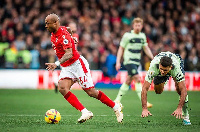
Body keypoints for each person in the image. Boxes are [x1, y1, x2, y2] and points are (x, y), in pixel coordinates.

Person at [44, 13, 123, 123]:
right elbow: (68, 29)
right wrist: (72, 37)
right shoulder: (58, 31)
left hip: (77, 65)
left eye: (47, 23)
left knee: (91, 92)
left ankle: (115, 107)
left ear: (55, 23)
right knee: (62, 88)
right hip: (67, 67)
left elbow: (69, 54)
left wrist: (56, 64)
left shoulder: (62, 36)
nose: (46, 26)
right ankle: (85, 112)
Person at [141, 51, 191, 125]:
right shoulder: (153, 67)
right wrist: (144, 108)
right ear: (159, 65)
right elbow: (144, 88)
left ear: (170, 67)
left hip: (177, 60)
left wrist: (179, 108)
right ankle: (166, 78)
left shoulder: (176, 68)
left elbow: (184, 89)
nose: (163, 71)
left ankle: (186, 116)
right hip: (161, 65)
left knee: (179, 89)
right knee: (158, 91)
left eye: (165, 70)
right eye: (161, 69)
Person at [114, 17, 154, 108]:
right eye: (136, 25)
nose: (137, 27)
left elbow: (146, 48)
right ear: (133, 26)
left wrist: (152, 57)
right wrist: (118, 62)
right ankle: (144, 102)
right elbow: (121, 48)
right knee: (137, 78)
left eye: (139, 25)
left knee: (128, 80)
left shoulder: (142, 36)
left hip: (136, 61)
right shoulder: (127, 36)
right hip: (128, 60)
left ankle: (117, 100)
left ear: (142, 26)